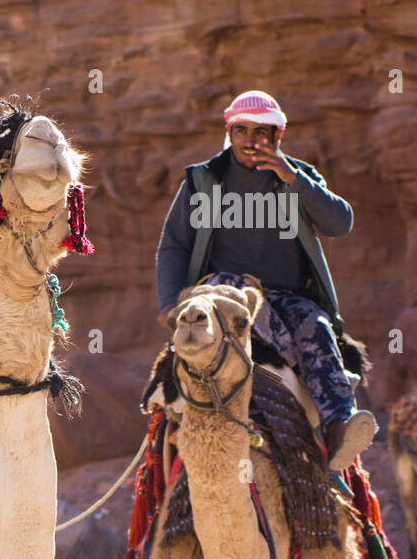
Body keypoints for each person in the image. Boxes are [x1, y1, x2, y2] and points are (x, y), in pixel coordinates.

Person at [154, 89, 375, 470]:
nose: (251, 141)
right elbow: (173, 246)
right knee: (229, 290)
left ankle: (339, 425)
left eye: (262, 131)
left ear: (278, 137)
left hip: (288, 295)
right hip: (225, 288)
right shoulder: (203, 181)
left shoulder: (299, 177)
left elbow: (340, 224)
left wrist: (294, 180)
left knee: (316, 323)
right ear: (230, 131)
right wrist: (170, 302)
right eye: (242, 131)